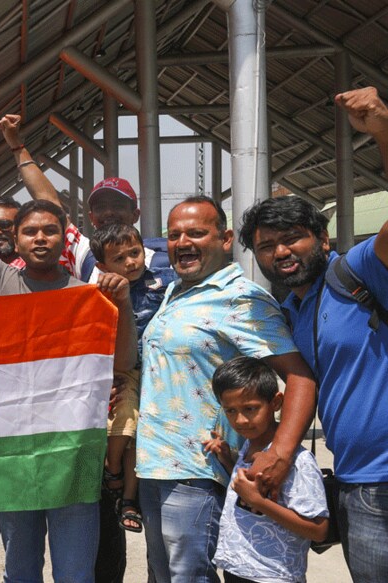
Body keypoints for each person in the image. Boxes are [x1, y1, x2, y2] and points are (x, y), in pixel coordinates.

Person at [0, 120, 136, 583]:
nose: (40, 238)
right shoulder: (0, 281)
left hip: (73, 456)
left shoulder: (92, 295)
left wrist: (121, 307)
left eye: (50, 230)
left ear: (66, 240)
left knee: (75, 573)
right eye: (31, 232)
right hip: (13, 456)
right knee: (20, 571)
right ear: (15, 241)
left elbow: (122, 366)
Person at [239, 90, 388, 580]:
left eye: (292, 238)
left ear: (322, 239)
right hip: (355, 487)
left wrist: (382, 130)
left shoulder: (359, 270)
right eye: (266, 246)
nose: (280, 251)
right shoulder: (288, 310)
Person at [134, 196, 317, 583]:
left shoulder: (241, 299)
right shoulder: (174, 292)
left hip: (197, 470)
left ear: (225, 238)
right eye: (174, 234)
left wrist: (280, 454)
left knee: (190, 576)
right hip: (154, 466)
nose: (183, 241)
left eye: (197, 232)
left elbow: (299, 376)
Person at [0, 113, 170, 283]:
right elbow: (48, 201)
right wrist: (17, 146)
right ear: (91, 217)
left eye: (118, 206)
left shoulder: (164, 259)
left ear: (135, 215)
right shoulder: (85, 255)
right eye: (100, 207)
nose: (109, 212)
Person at [202, 356, 328, 583]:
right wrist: (227, 459)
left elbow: (318, 529)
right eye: (230, 411)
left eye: (250, 408)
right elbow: (248, 487)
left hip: (271, 576)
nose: (240, 420)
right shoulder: (249, 445)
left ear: (276, 402)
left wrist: (259, 502)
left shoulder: (297, 461)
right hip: (237, 569)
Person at [88, 223, 178, 534]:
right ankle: (112, 471)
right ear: (102, 266)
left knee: (143, 434)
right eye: (120, 259)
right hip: (122, 372)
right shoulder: (98, 295)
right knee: (123, 420)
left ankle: (128, 497)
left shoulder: (166, 282)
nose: (131, 262)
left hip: (157, 370)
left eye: (135, 253)